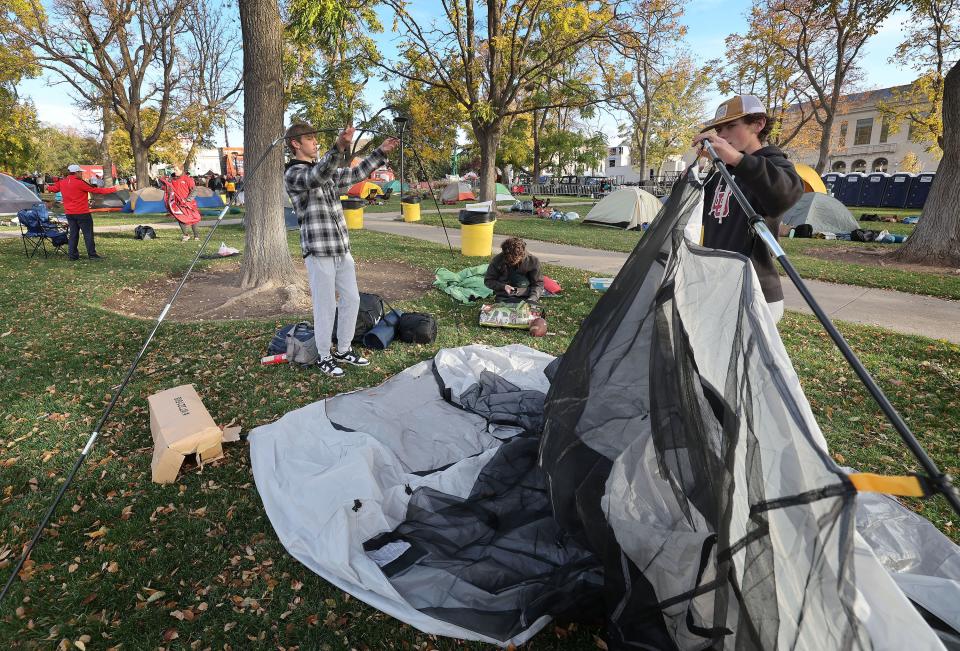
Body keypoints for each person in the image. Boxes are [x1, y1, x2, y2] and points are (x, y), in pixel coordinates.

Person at [284, 122, 400, 378]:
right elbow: (316, 177)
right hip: (318, 251)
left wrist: (381, 151)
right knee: (325, 305)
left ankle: (344, 349)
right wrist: (338, 146)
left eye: (317, 139)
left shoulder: (322, 170)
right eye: (311, 139)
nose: (315, 143)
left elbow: (355, 174)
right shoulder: (294, 173)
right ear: (295, 143)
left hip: (341, 249)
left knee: (352, 299)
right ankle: (324, 355)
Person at [692, 95, 803, 323]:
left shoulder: (773, 163)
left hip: (755, 290)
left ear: (758, 124)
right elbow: (697, 214)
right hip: (719, 285)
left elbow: (786, 193)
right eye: (719, 129)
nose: (722, 135)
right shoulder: (721, 172)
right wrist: (696, 173)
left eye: (732, 126)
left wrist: (737, 159)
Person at [46, 164, 118, 260]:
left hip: (69, 213)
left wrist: (47, 187)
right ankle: (92, 255)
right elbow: (96, 190)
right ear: (76, 173)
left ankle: (73, 255)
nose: (82, 174)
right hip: (82, 212)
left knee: (73, 234)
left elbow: (54, 189)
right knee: (88, 234)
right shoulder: (80, 183)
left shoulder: (62, 182)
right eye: (80, 172)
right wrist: (114, 189)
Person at [484, 237, 544, 303]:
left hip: (526, 296)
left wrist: (532, 298)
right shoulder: (497, 260)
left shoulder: (533, 261)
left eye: (513, 260)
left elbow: (538, 284)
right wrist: (503, 287)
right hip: (504, 296)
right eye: (508, 260)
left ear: (522, 254)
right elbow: (488, 280)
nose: (510, 262)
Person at [165, 166, 202, 241]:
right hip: (177, 203)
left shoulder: (188, 179)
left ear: (181, 170)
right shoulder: (171, 179)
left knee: (193, 218)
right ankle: (186, 235)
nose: (174, 171)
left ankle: (196, 236)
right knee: (180, 218)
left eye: (176, 169)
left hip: (188, 203)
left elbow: (194, 190)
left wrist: (188, 199)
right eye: (174, 169)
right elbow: (169, 190)